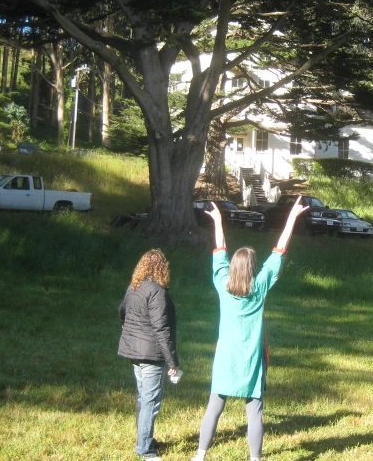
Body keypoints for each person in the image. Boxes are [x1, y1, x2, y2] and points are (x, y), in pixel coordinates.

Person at [191, 196, 308, 461]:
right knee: (254, 412)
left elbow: (219, 249)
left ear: (233, 267)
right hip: (251, 359)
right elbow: (279, 249)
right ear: (253, 269)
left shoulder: (222, 283)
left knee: (213, 409)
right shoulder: (260, 286)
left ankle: (200, 456)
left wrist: (218, 220)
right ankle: (254, 459)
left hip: (225, 357)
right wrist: (292, 217)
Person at [118, 249, 180, 461]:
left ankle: (145, 440)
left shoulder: (134, 287)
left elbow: (122, 312)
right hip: (151, 355)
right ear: (163, 268)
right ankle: (145, 449)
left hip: (134, 352)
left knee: (143, 397)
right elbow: (161, 329)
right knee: (151, 401)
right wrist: (173, 362)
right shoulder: (158, 292)